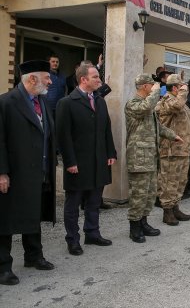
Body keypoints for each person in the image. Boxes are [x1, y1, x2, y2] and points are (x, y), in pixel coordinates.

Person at [0, 60, 57, 286]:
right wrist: (1, 172)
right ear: (32, 79)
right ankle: (3, 267)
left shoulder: (41, 102)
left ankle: (34, 256)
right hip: (15, 173)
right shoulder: (6, 102)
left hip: (39, 172)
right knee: (6, 220)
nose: (51, 82)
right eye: (47, 77)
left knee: (33, 214)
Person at [55, 63, 117, 256]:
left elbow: (106, 129)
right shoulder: (66, 102)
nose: (100, 80)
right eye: (96, 77)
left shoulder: (99, 101)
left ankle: (92, 233)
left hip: (99, 161)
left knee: (94, 201)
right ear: (83, 79)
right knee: (73, 204)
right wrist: (70, 162)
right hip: (78, 164)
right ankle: (73, 240)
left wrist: (111, 153)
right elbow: (63, 136)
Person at [124, 74, 182, 243]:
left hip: (150, 156)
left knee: (149, 194)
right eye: (152, 85)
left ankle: (144, 222)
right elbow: (147, 107)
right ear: (144, 86)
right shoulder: (133, 104)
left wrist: (173, 135)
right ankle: (134, 226)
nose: (155, 87)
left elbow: (158, 126)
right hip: (138, 157)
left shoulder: (148, 105)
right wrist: (156, 93)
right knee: (138, 194)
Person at [155, 74, 190, 226]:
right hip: (170, 149)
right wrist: (183, 92)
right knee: (169, 181)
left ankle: (175, 206)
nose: (185, 89)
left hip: (183, 149)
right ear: (175, 88)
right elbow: (176, 106)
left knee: (180, 180)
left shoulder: (180, 101)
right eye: (182, 86)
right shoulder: (166, 100)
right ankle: (167, 210)